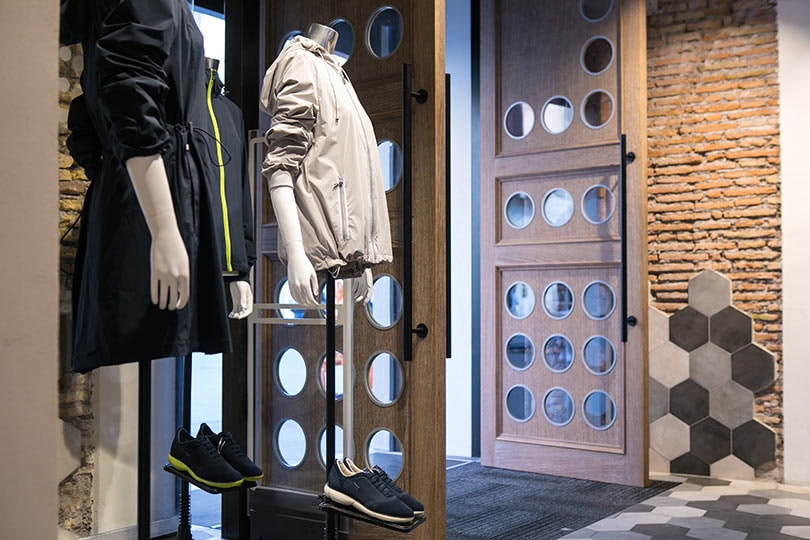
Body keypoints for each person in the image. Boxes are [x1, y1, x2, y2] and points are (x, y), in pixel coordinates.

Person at [61, 0, 231, 372]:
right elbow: (129, 97)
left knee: (154, 336)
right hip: (154, 188)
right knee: (144, 332)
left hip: (147, 183)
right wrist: (164, 227)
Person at [259, 23, 393, 306]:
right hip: (318, 248)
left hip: (343, 252)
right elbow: (280, 165)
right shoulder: (301, 62)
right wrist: (296, 252)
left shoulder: (335, 73)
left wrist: (360, 254)